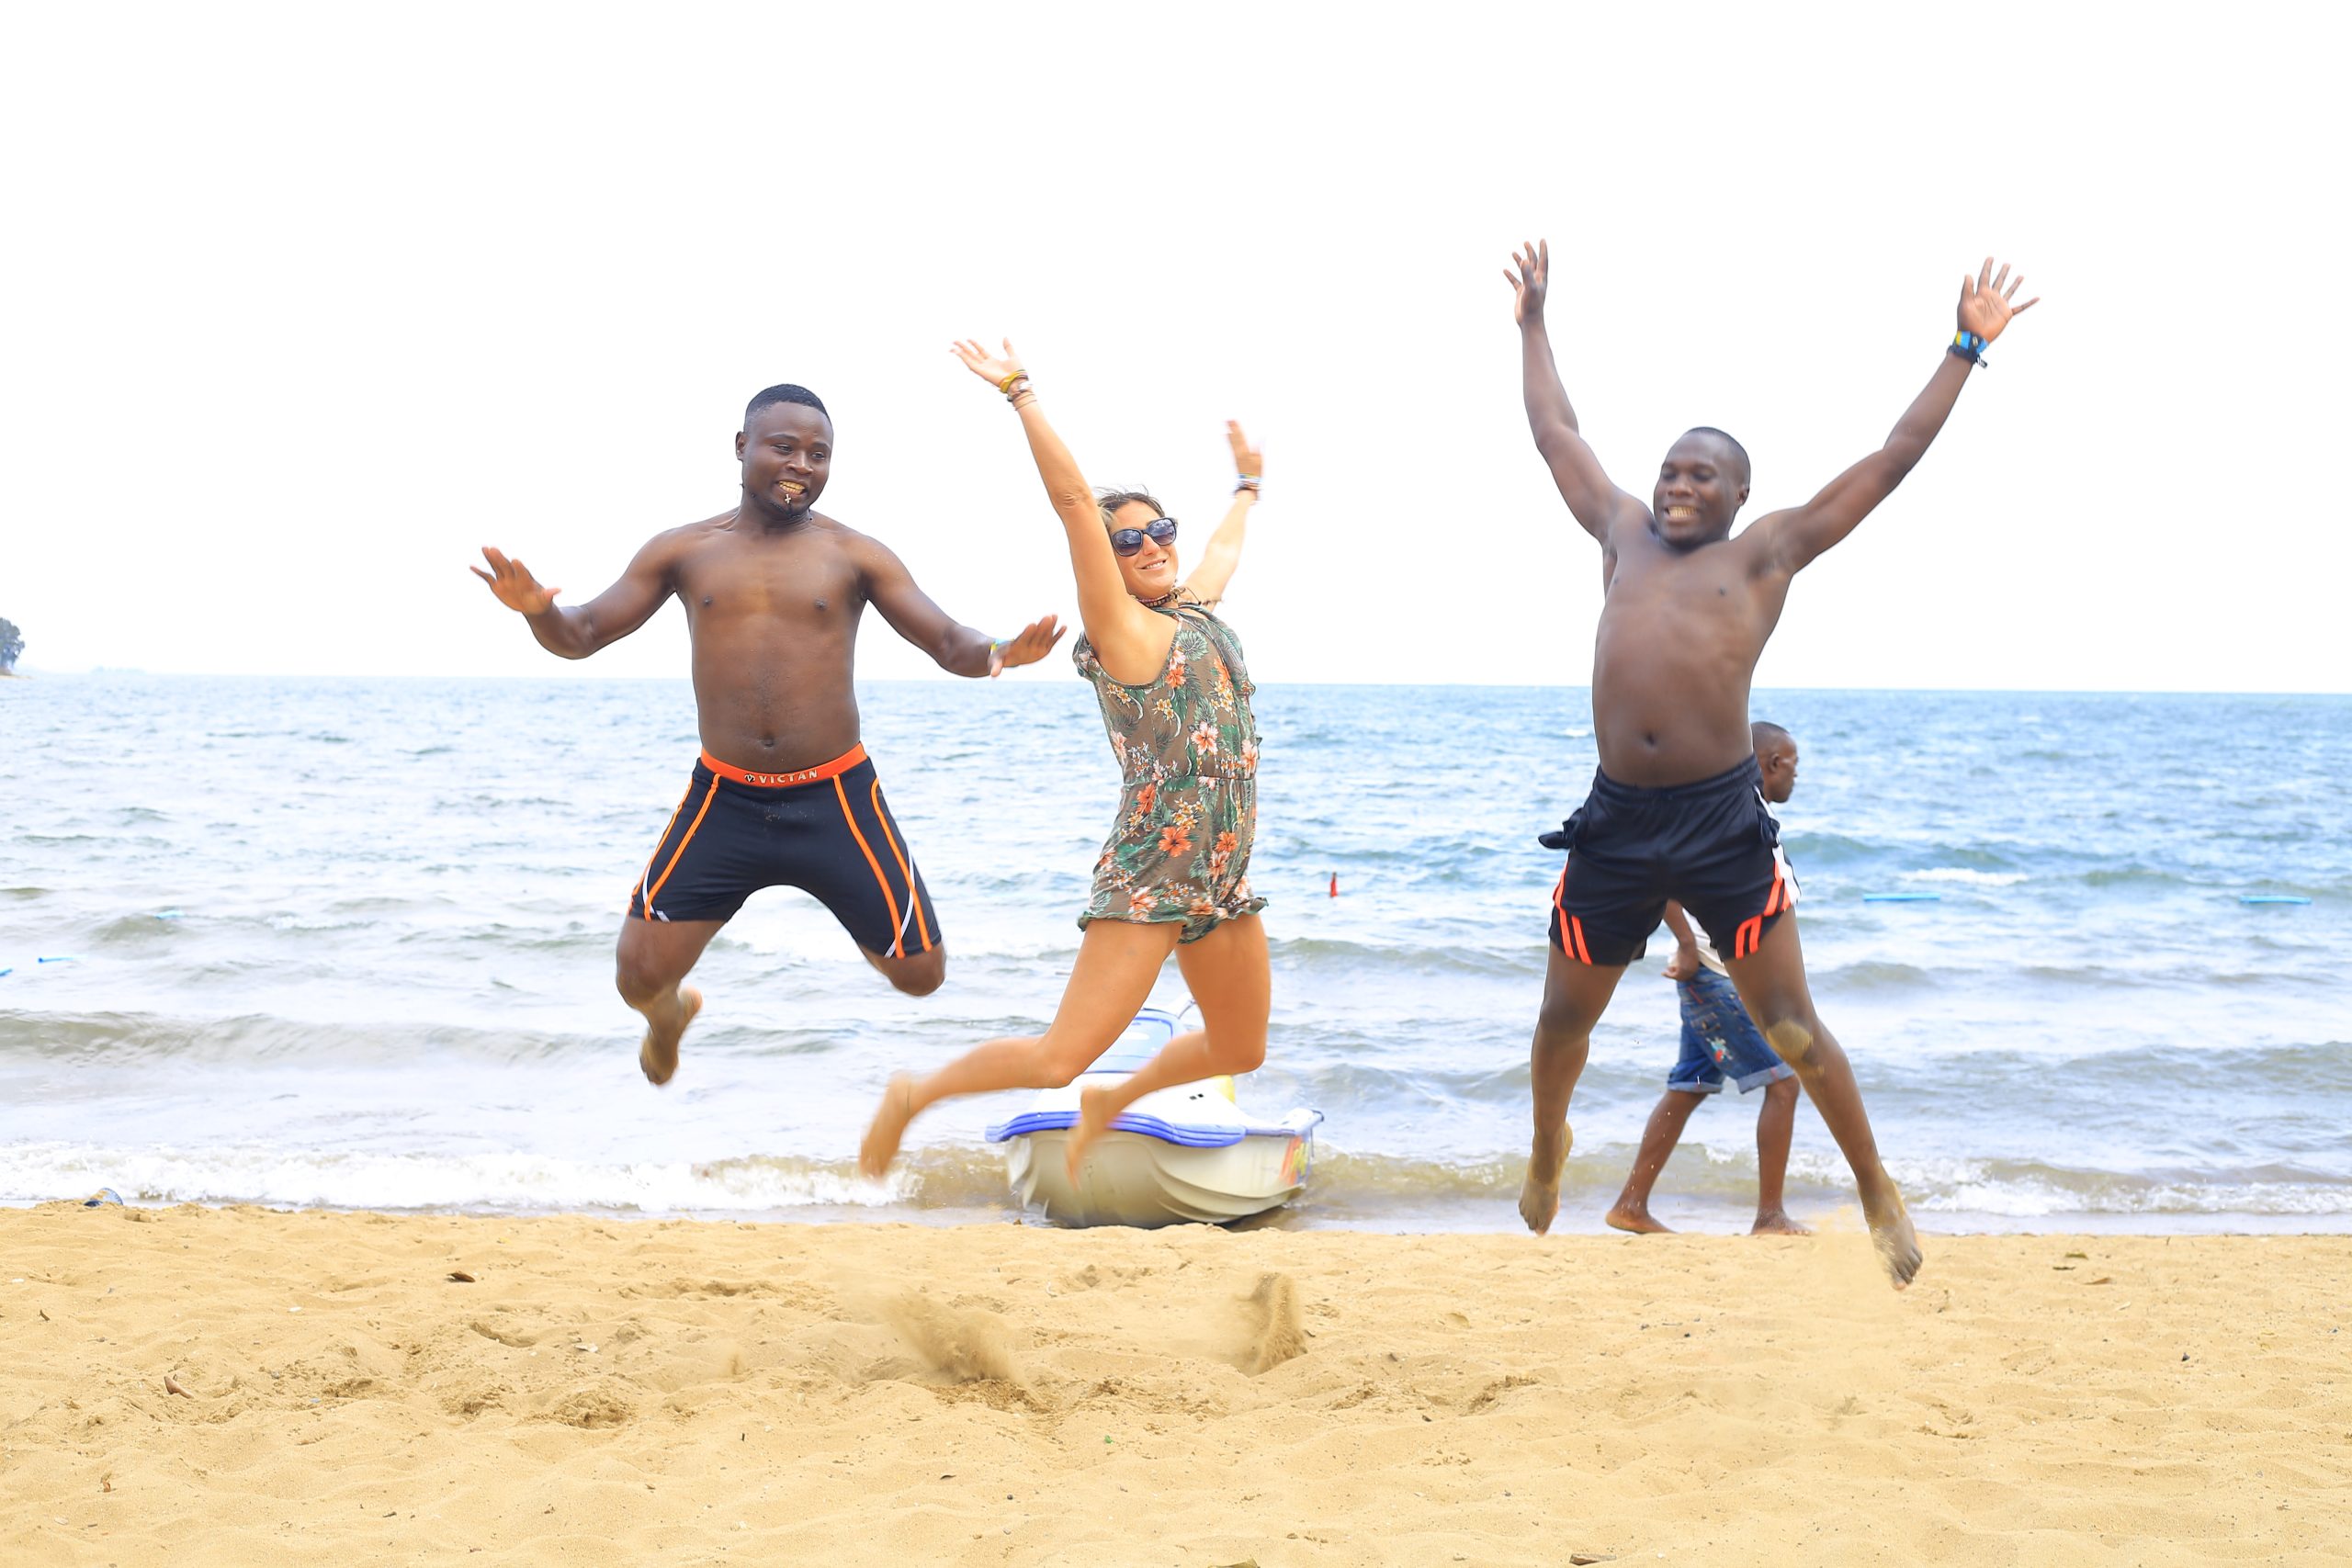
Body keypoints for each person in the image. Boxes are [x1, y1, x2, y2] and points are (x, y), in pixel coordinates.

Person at [1506, 243, 2038, 1286]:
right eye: (1669, 469)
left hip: (1720, 825)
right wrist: (1533, 324)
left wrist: (1965, 346)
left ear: (1740, 494)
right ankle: (1545, 1145)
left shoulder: (1766, 554)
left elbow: (1892, 457)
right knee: (1562, 1019)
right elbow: (1554, 430)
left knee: (1791, 1029)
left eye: (1700, 474)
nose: (1676, 485)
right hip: (1616, 821)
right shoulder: (1619, 531)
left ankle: (1875, 1188)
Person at [472, 382, 1064, 1085]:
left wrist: (1000, 650)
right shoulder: (684, 550)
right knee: (636, 976)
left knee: (920, 975)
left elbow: (946, 640)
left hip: (834, 798)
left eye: (819, 454)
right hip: (725, 799)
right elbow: (583, 633)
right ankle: (669, 1019)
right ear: (741, 446)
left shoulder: (855, 554)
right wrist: (538, 612)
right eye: (784, 447)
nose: (801, 465)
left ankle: (861, 915)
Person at [859, 340, 1271, 1183]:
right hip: (1154, 870)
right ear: (1107, 562)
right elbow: (1076, 501)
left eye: (1160, 530)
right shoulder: (1121, 629)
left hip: (1221, 871)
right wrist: (1021, 391)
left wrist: (1247, 487)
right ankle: (914, 1094)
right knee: (1058, 1058)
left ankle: (1114, 1103)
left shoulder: (1195, 610)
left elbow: (1223, 552)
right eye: (1130, 541)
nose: (1151, 546)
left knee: (1240, 1046)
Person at [1606, 722, 1810, 1237]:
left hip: (1717, 976)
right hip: (1716, 977)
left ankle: (1630, 1205)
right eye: (1793, 764)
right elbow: (1663, 876)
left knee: (1689, 1087)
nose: (1796, 775)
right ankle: (1770, 1216)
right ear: (1771, 763)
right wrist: (1687, 943)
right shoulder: (1729, 813)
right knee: (1784, 1085)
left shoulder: (1741, 809)